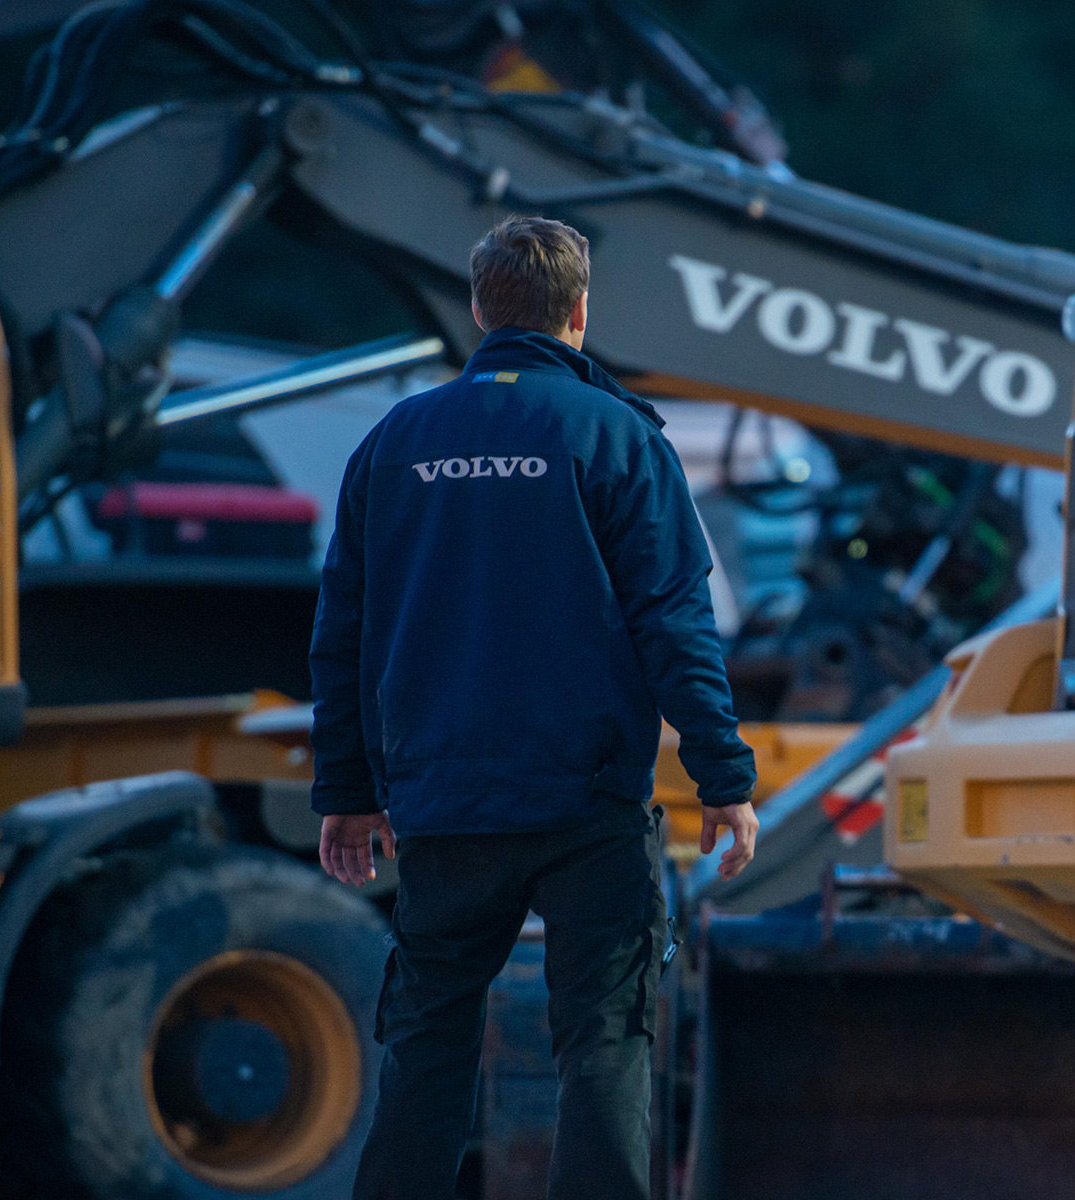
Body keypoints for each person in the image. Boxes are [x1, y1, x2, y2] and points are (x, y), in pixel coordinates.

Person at [307, 214, 759, 1200]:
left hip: (441, 807)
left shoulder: (394, 442)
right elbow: (672, 621)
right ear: (580, 312)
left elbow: (340, 630)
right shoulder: (616, 436)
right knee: (600, 1044)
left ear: (478, 309)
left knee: (425, 1046)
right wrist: (723, 777)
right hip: (587, 807)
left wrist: (344, 790)